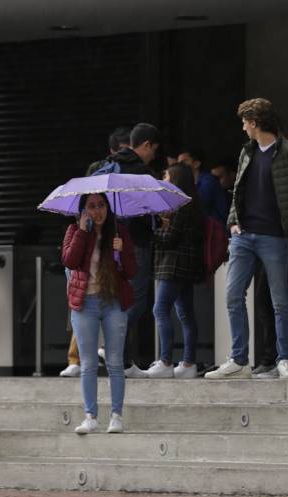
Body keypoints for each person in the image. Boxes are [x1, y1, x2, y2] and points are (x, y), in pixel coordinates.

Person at [205, 99, 288, 380]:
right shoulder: (247, 151)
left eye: (245, 123)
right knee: (233, 295)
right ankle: (239, 359)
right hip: (243, 235)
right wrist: (233, 221)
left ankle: (285, 359)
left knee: (280, 300)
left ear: (254, 123)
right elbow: (238, 190)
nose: (243, 128)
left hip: (274, 237)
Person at [62, 192, 136, 432]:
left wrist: (122, 250)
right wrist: (83, 232)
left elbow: (132, 271)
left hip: (112, 302)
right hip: (85, 304)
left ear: (108, 207)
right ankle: (90, 417)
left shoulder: (119, 231)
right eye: (91, 206)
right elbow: (70, 261)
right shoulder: (74, 231)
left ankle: (116, 416)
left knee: (115, 362)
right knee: (88, 363)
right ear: (83, 210)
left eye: (101, 205)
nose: (97, 211)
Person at [102, 122, 160, 377]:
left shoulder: (108, 167)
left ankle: (123, 362)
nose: (153, 156)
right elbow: (146, 212)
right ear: (146, 145)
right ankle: (114, 350)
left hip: (110, 243)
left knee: (119, 299)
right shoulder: (140, 173)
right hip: (135, 243)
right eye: (154, 150)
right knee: (135, 302)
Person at [144, 165, 204, 379]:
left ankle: (166, 361)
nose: (164, 178)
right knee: (186, 314)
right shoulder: (191, 205)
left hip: (173, 265)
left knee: (160, 309)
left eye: (167, 175)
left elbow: (169, 240)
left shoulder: (180, 206)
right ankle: (188, 363)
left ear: (177, 179)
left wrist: (155, 229)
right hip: (185, 266)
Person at [178, 146, 229, 224]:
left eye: (183, 162)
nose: (179, 166)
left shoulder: (208, 181)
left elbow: (195, 205)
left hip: (216, 228)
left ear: (196, 164)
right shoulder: (191, 182)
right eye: (178, 163)